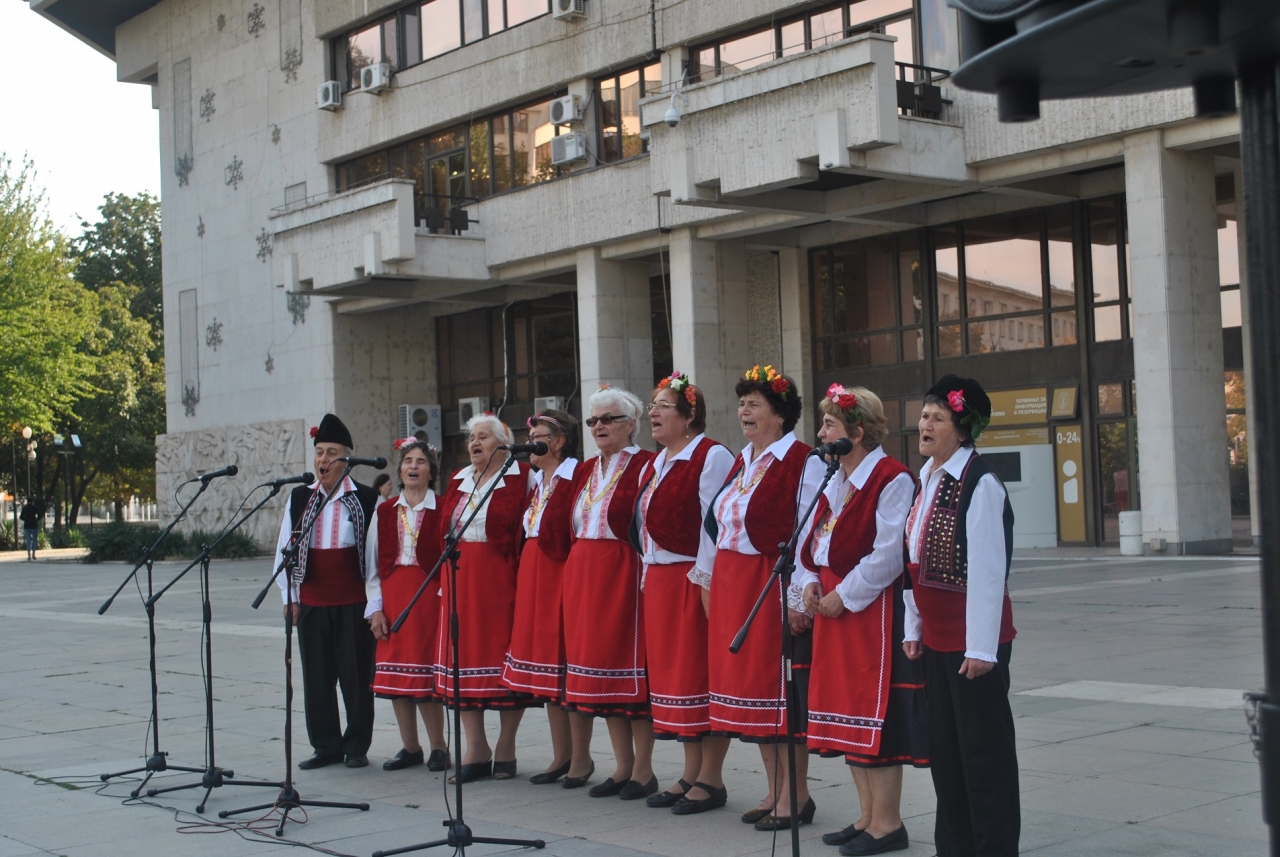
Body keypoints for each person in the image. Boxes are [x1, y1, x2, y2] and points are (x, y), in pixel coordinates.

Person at [793, 385, 926, 855]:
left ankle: (888, 823)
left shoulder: (892, 478)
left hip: (871, 611)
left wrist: (844, 597)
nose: (821, 433)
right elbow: (815, 539)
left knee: (873, 711)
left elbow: (888, 554)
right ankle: (867, 815)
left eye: (829, 424)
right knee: (847, 710)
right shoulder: (837, 479)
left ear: (857, 431)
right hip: (835, 607)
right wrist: (809, 581)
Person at [703, 365, 826, 830]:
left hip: (768, 581)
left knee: (777, 691)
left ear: (779, 413)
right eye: (741, 404)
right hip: (734, 583)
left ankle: (797, 795)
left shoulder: (802, 460)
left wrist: (796, 596)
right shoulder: (744, 459)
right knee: (752, 693)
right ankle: (775, 789)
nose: (743, 412)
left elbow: (809, 531)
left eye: (754, 404)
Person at [903, 375, 1019, 857]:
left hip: (973, 645)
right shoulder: (926, 479)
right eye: (924, 415)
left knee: (983, 756)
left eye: (937, 417)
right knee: (947, 756)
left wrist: (981, 649)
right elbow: (912, 562)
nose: (925, 425)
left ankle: (994, 848)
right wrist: (913, 627)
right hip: (937, 640)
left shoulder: (980, 483)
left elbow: (989, 572)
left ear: (962, 428)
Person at [633, 372, 735, 813]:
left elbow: (715, 527)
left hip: (691, 577)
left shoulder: (711, 456)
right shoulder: (656, 462)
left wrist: (705, 582)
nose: (653, 413)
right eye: (652, 406)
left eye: (663, 406)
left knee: (699, 677)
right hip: (659, 580)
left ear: (690, 415)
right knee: (675, 681)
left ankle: (711, 777)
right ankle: (691, 772)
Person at [561, 386, 656, 799]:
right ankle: (621, 765)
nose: (598, 426)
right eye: (593, 420)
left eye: (608, 419)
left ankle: (644, 769)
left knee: (627, 669)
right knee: (601, 672)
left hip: (623, 569)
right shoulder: (586, 468)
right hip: (585, 574)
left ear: (631, 424)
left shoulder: (647, 464)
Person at [274, 413, 379, 769]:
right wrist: (289, 597)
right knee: (317, 679)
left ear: (347, 459)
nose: (323, 460)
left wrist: (375, 604)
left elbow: (374, 558)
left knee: (356, 677)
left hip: (353, 603)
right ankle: (326, 746)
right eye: (319, 452)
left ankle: (356, 746)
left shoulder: (366, 499)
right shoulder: (300, 498)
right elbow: (284, 550)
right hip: (312, 602)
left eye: (331, 453)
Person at [435, 413, 536, 783]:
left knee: (503, 657)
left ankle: (506, 745)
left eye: (483, 436)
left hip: (501, 579)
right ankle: (476, 747)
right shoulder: (458, 479)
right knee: (463, 658)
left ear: (503, 444)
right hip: (459, 578)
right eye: (471, 438)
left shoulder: (523, 477)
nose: (474, 443)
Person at [501, 409, 588, 784]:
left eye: (536, 437)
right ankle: (561, 755)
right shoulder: (537, 481)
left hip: (560, 572)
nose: (529, 443)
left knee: (567, 664)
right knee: (549, 669)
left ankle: (581, 758)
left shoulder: (576, 477)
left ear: (558, 442)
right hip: (535, 573)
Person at [364, 438, 450, 772]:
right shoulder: (384, 511)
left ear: (431, 471)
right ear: (400, 470)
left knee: (424, 677)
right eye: (408, 461)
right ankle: (410, 747)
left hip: (428, 596)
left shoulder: (443, 508)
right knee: (396, 678)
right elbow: (372, 565)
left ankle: (439, 747)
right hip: (393, 596)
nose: (413, 466)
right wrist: (375, 608)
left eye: (421, 462)